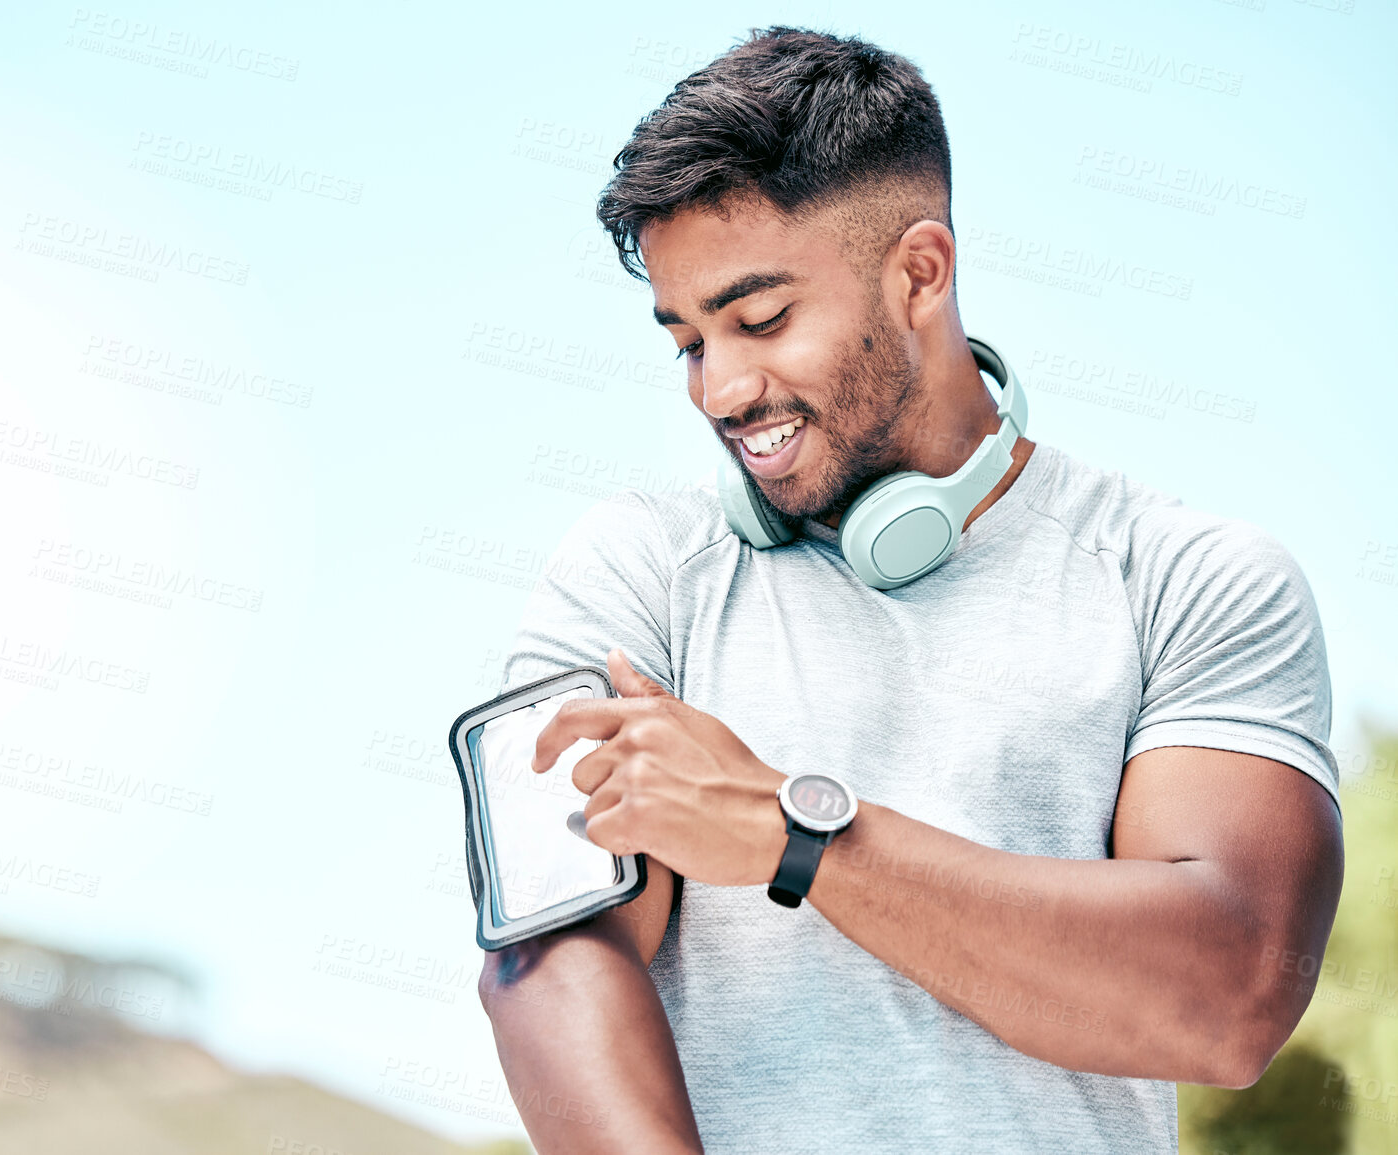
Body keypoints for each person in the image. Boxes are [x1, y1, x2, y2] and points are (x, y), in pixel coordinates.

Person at [475, 27, 1343, 1155]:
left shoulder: (1192, 580)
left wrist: (795, 836)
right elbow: (542, 954)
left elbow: (1228, 999)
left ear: (919, 272)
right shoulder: (633, 569)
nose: (721, 389)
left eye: (761, 319)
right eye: (687, 340)